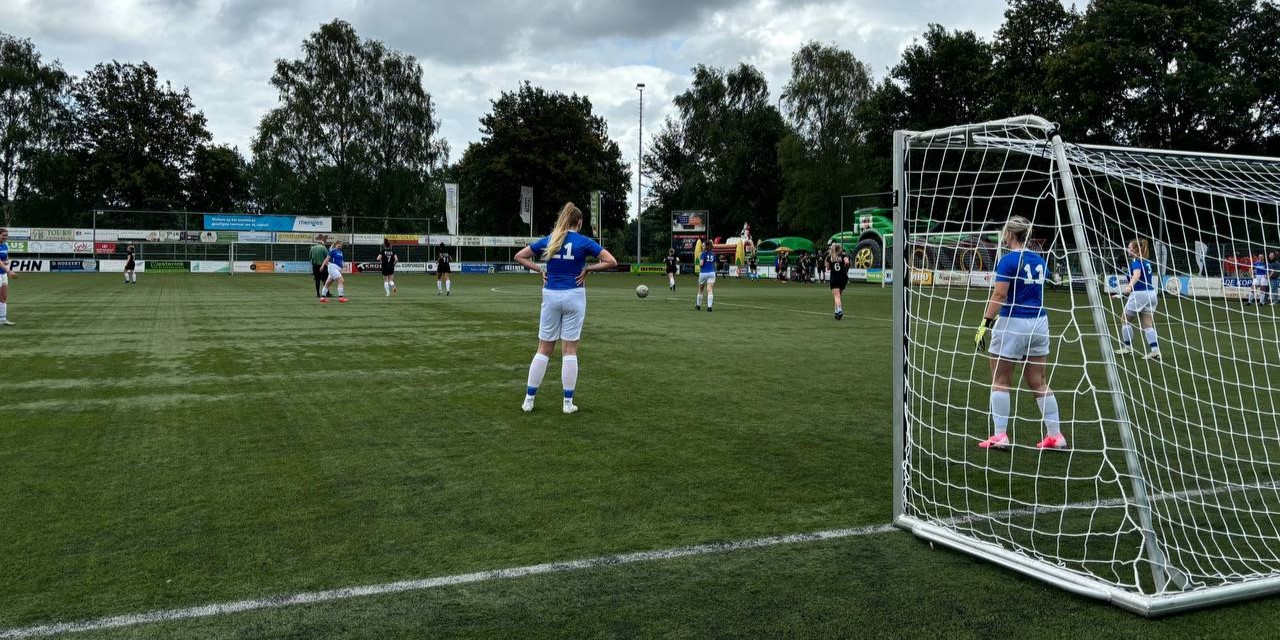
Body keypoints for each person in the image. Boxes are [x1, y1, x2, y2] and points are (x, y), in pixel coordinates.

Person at [514, 202, 618, 414]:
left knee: (543, 349)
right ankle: (567, 403)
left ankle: (529, 400)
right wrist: (588, 268)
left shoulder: (550, 239)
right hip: (574, 295)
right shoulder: (584, 242)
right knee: (569, 350)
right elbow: (611, 261)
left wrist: (538, 269)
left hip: (551, 294)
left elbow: (520, 256)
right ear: (579, 222)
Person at [973, 216, 1063, 450]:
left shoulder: (1008, 260)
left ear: (1010, 234)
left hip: (1014, 322)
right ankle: (1056, 436)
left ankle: (1000, 435)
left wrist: (985, 323)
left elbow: (1000, 295)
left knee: (1001, 380)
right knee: (1038, 381)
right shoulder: (1040, 260)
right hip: (1039, 323)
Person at [1115, 239, 1161, 360]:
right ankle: (1155, 351)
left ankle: (1127, 348)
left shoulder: (1136, 260)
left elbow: (1137, 275)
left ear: (1136, 250)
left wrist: (1129, 286)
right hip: (1151, 294)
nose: (1127, 249)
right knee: (1147, 324)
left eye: (1130, 248)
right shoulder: (1146, 261)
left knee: (1125, 320)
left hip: (1140, 295)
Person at [827, 244, 850, 320]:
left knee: (836, 296)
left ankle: (839, 310)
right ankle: (836, 312)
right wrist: (845, 268)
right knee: (838, 296)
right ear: (839, 249)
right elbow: (847, 262)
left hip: (835, 278)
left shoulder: (829, 257)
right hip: (843, 278)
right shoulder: (844, 255)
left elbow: (828, 268)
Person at [697, 241, 717, 312]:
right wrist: (715, 272)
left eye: (703, 246)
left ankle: (698, 306)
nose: (702, 247)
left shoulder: (703, 254)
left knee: (700, 289)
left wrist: (699, 265)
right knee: (710, 290)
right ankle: (709, 307)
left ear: (706, 246)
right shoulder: (713, 254)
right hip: (712, 273)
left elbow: (701, 264)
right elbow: (714, 265)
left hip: (703, 273)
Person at [0, 228, 14, 326]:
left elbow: (6, 258)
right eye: (3, 235)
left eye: (6, 235)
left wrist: (7, 261)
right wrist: (8, 270)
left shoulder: (5, 245)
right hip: (3, 272)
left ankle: (3, 319)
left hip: (3, 273)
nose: (5, 237)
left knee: (4, 296)